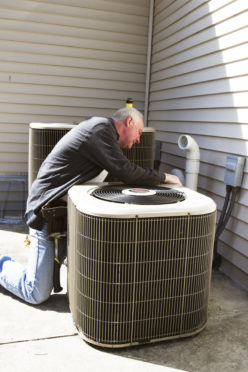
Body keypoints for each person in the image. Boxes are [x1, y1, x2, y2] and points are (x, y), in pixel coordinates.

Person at [0, 107, 181, 305]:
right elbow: (126, 171)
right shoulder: (99, 130)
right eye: (139, 132)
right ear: (129, 122)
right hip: (45, 210)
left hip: (61, 214)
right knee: (35, 292)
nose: (138, 139)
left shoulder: (103, 135)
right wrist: (165, 177)